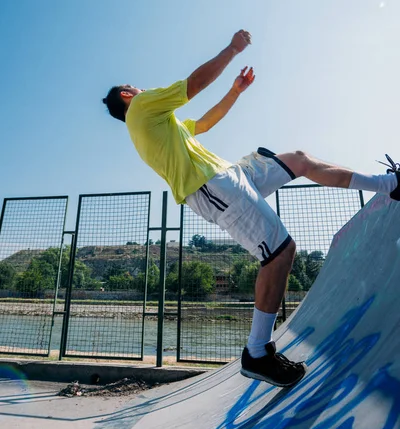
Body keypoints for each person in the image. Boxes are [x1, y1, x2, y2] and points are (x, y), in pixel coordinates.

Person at [103, 29, 400, 387]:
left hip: (231, 174)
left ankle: (390, 185)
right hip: (212, 186)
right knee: (280, 252)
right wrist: (231, 48)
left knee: (299, 160)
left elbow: (204, 123)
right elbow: (193, 84)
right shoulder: (142, 108)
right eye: (137, 86)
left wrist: (234, 92)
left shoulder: (160, 124)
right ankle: (258, 351)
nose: (144, 88)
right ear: (127, 95)